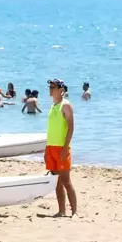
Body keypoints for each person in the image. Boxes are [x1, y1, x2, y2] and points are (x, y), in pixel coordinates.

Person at [46, 78, 77, 217]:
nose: (50, 89)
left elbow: (71, 128)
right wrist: (46, 149)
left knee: (66, 181)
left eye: (53, 87)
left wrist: (65, 148)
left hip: (61, 148)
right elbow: (52, 129)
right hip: (51, 148)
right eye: (49, 87)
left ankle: (74, 212)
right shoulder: (53, 105)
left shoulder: (66, 105)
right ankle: (61, 211)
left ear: (61, 90)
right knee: (56, 182)